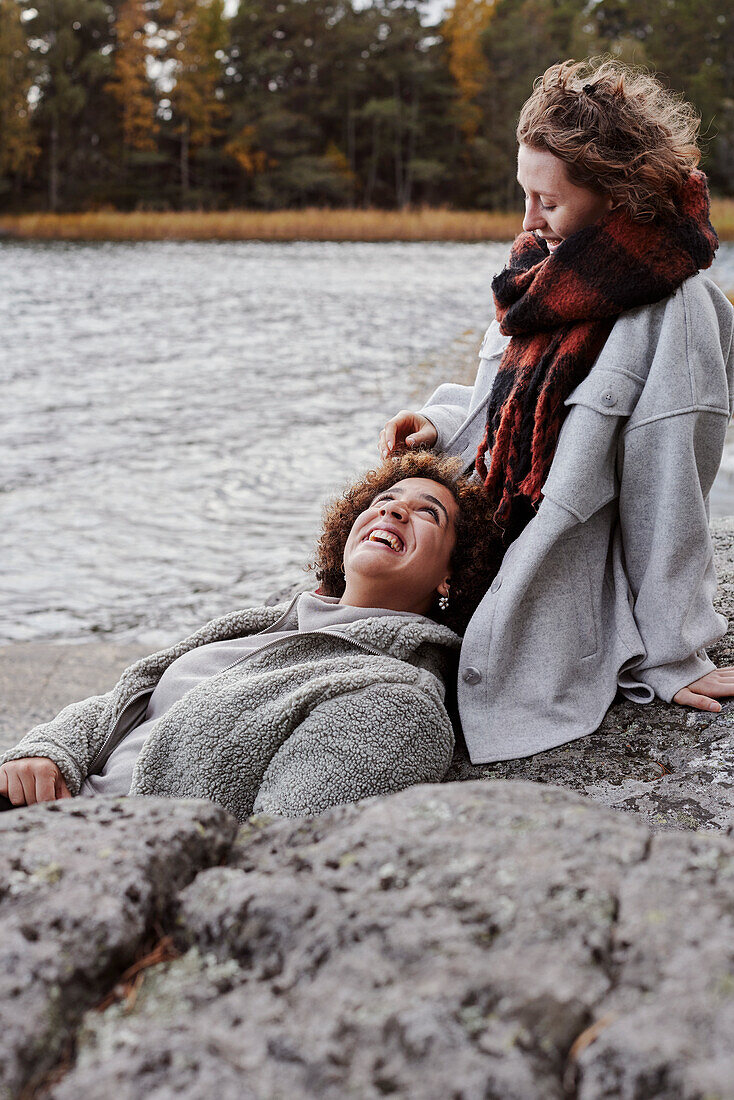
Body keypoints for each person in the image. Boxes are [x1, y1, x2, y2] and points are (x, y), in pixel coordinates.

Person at [380, 58, 734, 765]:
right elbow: (503, 404)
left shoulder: (679, 309)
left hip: (549, 585)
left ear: (615, 194)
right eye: (523, 194)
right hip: (481, 541)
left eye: (547, 200)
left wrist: (673, 654)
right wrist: (442, 426)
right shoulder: (542, 276)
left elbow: (671, 491)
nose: (527, 219)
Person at [0, 453, 500, 820]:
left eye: (427, 512)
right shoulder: (264, 625)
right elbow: (123, 704)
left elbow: (282, 845)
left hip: (105, 860)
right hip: (44, 815)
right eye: (385, 500)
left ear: (451, 578)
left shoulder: (397, 699)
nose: (392, 512)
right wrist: (48, 750)